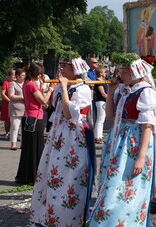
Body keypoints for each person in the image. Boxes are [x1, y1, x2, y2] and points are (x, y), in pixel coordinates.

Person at [89, 53, 156, 227]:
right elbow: (110, 115)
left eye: (125, 72)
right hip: (118, 139)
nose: (121, 75)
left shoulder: (145, 92)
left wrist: (141, 157)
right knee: (112, 183)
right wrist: (111, 91)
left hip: (135, 143)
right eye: (120, 72)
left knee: (128, 185)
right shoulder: (123, 89)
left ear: (135, 71)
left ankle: (127, 221)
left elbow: (147, 126)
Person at [30, 57, 95, 227]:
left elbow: (68, 114)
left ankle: (70, 217)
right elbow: (53, 106)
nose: (60, 69)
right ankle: (51, 213)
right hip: (59, 134)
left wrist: (64, 87)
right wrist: (53, 87)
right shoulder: (64, 87)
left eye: (64, 66)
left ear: (75, 69)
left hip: (74, 135)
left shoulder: (81, 89)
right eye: (60, 65)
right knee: (54, 172)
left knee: (71, 174)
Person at [15, 62, 56, 185]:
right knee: (35, 148)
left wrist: (43, 87)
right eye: (39, 73)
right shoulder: (31, 85)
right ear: (35, 73)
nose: (41, 75)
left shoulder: (27, 84)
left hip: (28, 116)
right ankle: (33, 176)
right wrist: (50, 90)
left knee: (28, 148)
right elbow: (43, 100)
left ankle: (25, 175)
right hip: (35, 118)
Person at [8, 68, 26, 150]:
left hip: (25, 109)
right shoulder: (13, 84)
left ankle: (23, 143)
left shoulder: (26, 84)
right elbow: (11, 96)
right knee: (15, 127)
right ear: (17, 76)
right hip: (15, 109)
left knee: (24, 128)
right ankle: (13, 144)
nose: (24, 77)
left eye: (24, 75)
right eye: (22, 75)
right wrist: (22, 97)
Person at [94, 65, 108, 144]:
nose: (105, 73)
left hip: (102, 101)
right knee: (100, 120)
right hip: (101, 101)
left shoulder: (102, 81)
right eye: (104, 72)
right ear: (101, 73)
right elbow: (103, 93)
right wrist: (109, 99)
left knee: (101, 120)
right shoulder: (99, 81)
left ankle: (99, 135)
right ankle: (97, 137)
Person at [1, 68, 16, 139]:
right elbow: (3, 93)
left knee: (14, 120)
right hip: (7, 104)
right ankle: (7, 132)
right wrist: (9, 100)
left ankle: (12, 133)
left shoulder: (16, 83)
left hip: (15, 104)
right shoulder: (6, 83)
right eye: (13, 75)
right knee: (7, 119)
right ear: (9, 76)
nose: (15, 76)